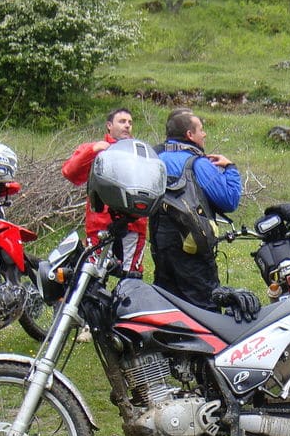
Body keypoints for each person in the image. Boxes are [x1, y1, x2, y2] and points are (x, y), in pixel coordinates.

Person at [151, 109, 259, 320]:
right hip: (192, 247)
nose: (205, 134)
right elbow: (229, 201)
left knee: (168, 303)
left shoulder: (154, 160)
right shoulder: (197, 164)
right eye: (201, 129)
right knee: (204, 307)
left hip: (160, 243)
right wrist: (230, 168)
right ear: (190, 135)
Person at [62, 107, 147, 276]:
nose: (127, 126)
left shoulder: (140, 152)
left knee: (131, 277)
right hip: (100, 224)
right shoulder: (96, 149)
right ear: (109, 125)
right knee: (94, 275)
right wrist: (92, 151)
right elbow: (70, 173)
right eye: (122, 121)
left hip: (133, 224)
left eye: (130, 122)